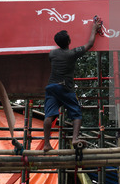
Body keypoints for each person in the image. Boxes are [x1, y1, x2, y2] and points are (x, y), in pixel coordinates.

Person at [43, 18, 103, 152]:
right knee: (76, 113)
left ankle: (46, 144)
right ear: (69, 42)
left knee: (49, 115)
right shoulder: (72, 54)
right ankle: (75, 138)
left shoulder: (52, 54)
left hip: (51, 87)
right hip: (65, 87)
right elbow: (90, 44)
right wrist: (94, 28)